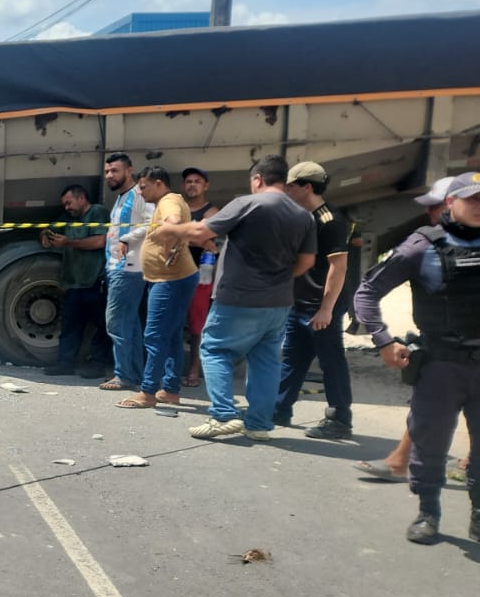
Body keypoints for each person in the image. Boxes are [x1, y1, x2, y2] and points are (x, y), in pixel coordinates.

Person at [353, 171, 480, 544]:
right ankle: (428, 513)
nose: (478, 206)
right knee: (430, 442)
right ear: (451, 203)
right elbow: (367, 292)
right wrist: (383, 341)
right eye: (471, 199)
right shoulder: (422, 246)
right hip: (441, 363)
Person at [149, 154, 315, 440]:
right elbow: (307, 262)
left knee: (214, 350)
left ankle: (223, 415)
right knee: (265, 360)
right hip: (278, 301)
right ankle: (259, 424)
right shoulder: (303, 215)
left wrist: (169, 230)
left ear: (258, 179)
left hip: (239, 296)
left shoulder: (248, 203)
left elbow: (202, 230)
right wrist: (279, 280)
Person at [272, 162, 355, 438]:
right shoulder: (302, 216)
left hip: (321, 307)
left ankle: (340, 419)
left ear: (306, 187)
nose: (286, 190)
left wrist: (326, 309)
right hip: (301, 302)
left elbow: (338, 267)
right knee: (293, 358)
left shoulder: (330, 220)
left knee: (331, 360)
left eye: (291, 186)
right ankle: (280, 409)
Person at [117, 167, 199, 409]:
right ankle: (171, 390)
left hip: (170, 281)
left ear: (159, 184)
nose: (141, 193)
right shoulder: (170, 201)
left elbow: (173, 220)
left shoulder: (169, 201)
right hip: (172, 278)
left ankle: (148, 392)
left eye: (143, 187)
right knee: (171, 335)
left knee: (154, 336)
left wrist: (168, 233)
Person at [42, 184, 112, 378]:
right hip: (74, 282)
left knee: (101, 326)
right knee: (70, 326)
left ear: (81, 198)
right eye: (64, 204)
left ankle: (98, 364)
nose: (67, 207)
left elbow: (100, 241)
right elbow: (49, 228)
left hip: (94, 281)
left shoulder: (97, 212)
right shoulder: (69, 218)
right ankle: (65, 363)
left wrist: (68, 242)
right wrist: (45, 236)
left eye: (69, 203)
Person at [99, 152, 154, 391]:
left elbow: (153, 224)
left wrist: (126, 239)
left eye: (115, 171)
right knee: (129, 324)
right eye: (108, 171)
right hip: (117, 268)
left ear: (129, 171)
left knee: (117, 324)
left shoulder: (139, 195)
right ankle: (134, 374)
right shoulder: (122, 197)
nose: (110, 175)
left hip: (128, 269)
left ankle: (124, 375)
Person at [180, 167, 221, 388]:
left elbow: (206, 236)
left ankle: (194, 370)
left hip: (200, 277)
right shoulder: (178, 208)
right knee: (173, 324)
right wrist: (195, 237)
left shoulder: (212, 212)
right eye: (188, 181)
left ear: (205, 185)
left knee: (197, 327)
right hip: (175, 274)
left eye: (197, 181)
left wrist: (179, 234)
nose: (192, 185)